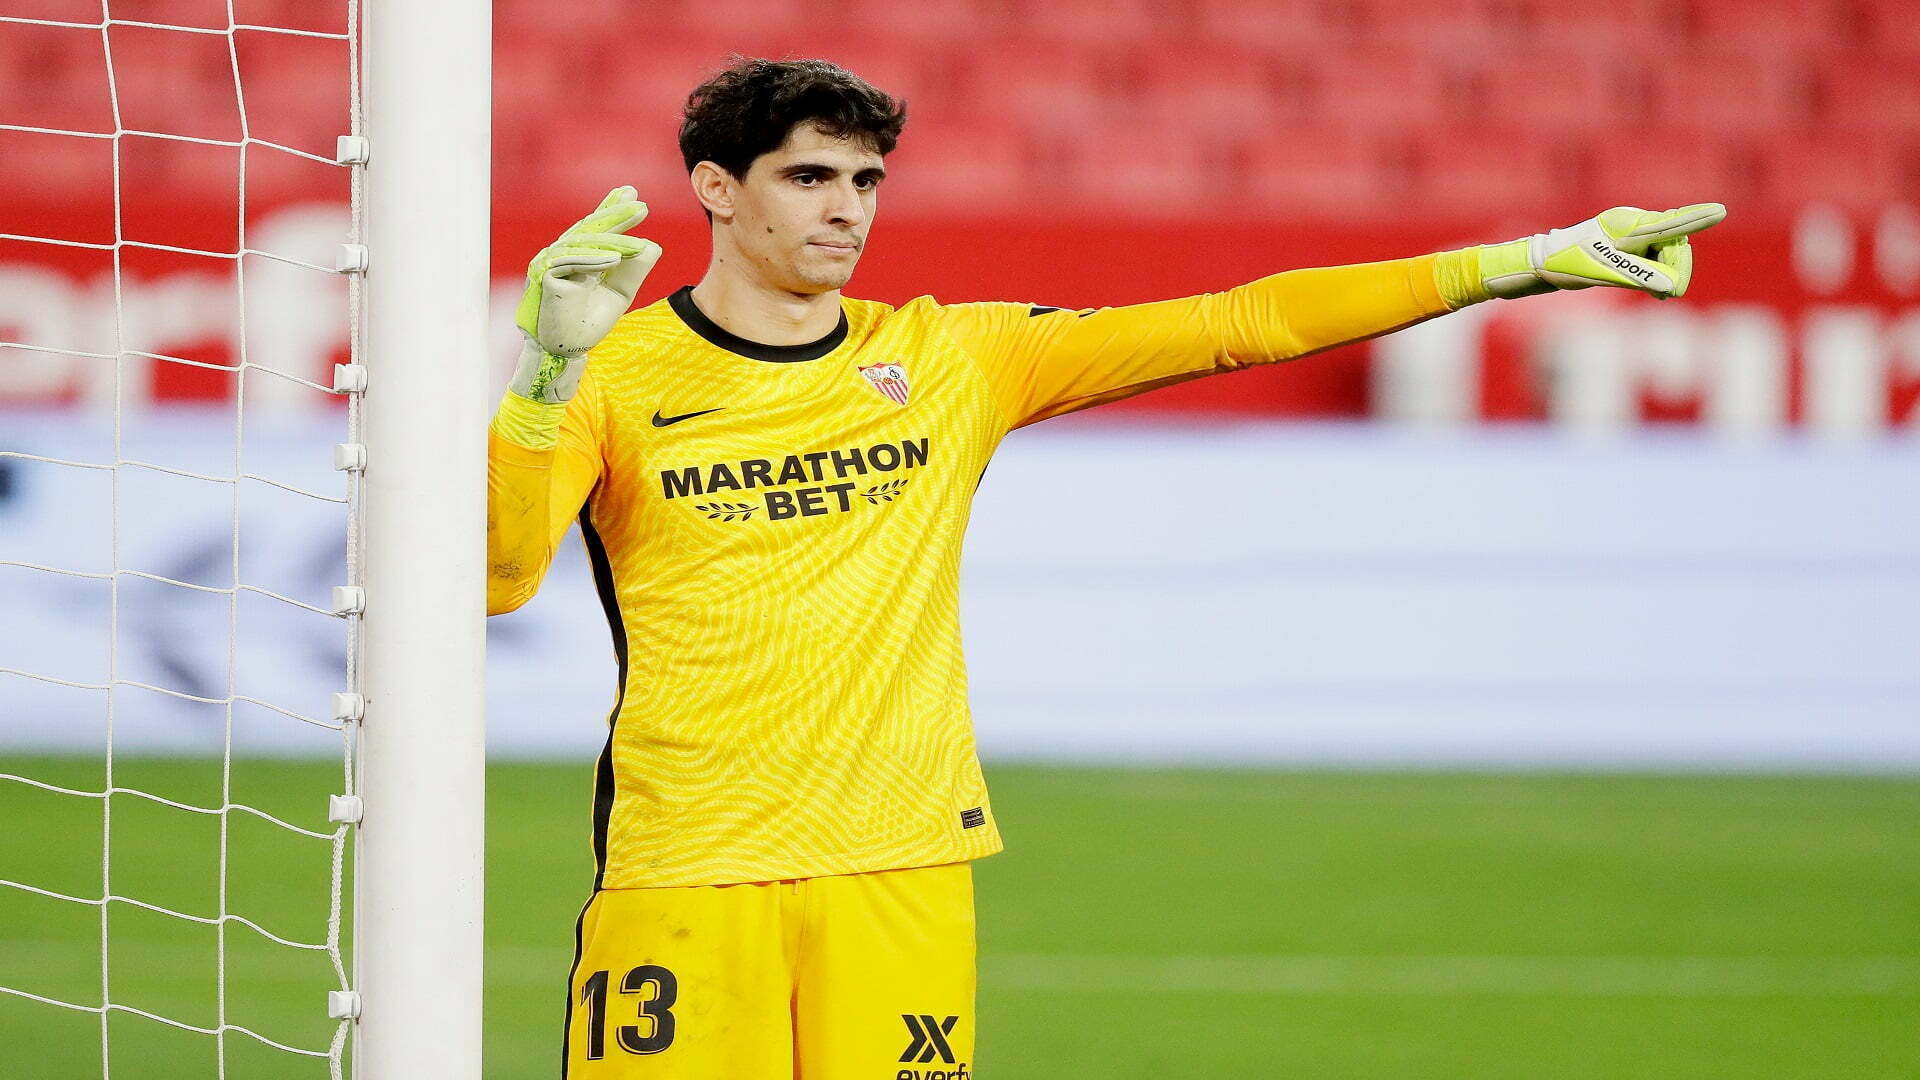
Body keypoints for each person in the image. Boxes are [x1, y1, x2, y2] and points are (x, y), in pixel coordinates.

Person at [486, 56, 1724, 1080]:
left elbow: (1244, 321)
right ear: (715, 186)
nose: (846, 208)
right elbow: (493, 577)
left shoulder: (950, 358)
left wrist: (1530, 258)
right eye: (809, 177)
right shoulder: (617, 374)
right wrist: (544, 375)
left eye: (865, 179)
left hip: (906, 864)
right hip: (690, 862)